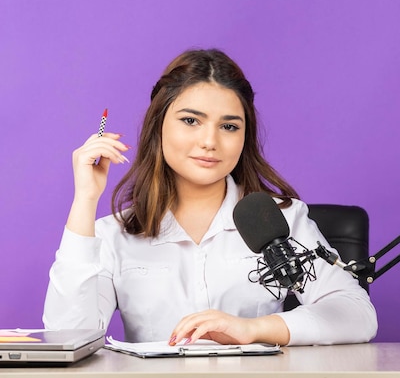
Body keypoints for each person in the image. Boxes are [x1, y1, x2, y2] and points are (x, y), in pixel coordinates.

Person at [43, 48, 377, 346]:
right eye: (191, 121)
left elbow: (357, 313)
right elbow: (67, 336)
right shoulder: (114, 233)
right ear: (159, 126)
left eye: (229, 126)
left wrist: (254, 329)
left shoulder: (281, 219)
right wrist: (85, 200)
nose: (209, 141)